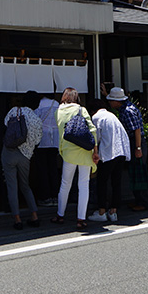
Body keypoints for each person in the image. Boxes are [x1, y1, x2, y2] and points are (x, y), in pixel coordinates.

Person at [51, 88, 98, 228]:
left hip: (68, 152)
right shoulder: (81, 110)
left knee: (65, 184)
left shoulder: (58, 111)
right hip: (84, 151)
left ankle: (60, 215)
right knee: (83, 185)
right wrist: (95, 151)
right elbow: (92, 130)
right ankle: (81, 219)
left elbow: (61, 132)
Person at [2, 92, 44, 229]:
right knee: (25, 185)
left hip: (9, 152)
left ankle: (17, 219)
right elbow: (37, 140)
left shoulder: (15, 111)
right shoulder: (37, 120)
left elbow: (6, 124)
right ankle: (34, 215)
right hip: (25, 156)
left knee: (12, 186)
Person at [107, 87, 148, 211]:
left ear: (117, 101)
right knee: (134, 172)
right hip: (133, 142)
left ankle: (143, 202)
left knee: (138, 172)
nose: (110, 103)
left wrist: (138, 147)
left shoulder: (127, 111)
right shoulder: (126, 107)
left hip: (135, 142)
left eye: (111, 100)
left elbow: (136, 130)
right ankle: (138, 200)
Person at [87, 99, 130, 223]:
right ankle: (113, 211)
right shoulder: (111, 115)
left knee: (102, 182)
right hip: (121, 152)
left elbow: (96, 138)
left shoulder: (97, 117)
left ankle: (101, 212)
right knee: (116, 182)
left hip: (108, 153)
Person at [30, 90, 60, 206]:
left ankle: (45, 197)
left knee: (42, 169)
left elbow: (34, 121)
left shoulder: (39, 104)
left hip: (42, 139)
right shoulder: (56, 104)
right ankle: (55, 196)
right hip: (55, 139)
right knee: (53, 168)